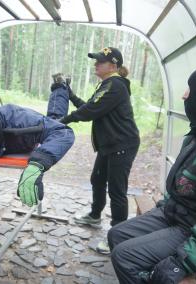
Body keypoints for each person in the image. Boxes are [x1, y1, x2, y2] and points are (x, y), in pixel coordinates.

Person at [108, 63, 196, 284]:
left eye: (190, 89)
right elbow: (185, 188)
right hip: (176, 214)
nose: (184, 95)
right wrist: (165, 206)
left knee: (125, 257)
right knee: (117, 234)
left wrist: (182, 263)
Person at [60, 47, 140, 232]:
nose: (95, 64)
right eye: (96, 61)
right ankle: (95, 216)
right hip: (110, 144)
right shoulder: (107, 84)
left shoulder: (116, 85)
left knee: (117, 190)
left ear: (113, 66)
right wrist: (70, 95)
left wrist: (62, 121)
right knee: (97, 180)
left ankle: (117, 234)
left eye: (100, 61)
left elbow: (89, 111)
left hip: (122, 144)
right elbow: (91, 106)